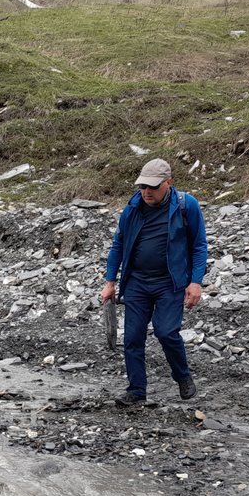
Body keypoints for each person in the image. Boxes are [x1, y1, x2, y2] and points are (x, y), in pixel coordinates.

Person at [100, 158, 208, 406]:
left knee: (166, 331)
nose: (146, 192)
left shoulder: (185, 205)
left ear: (168, 183)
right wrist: (110, 281)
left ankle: (182, 377)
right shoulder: (132, 208)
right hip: (137, 282)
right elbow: (118, 244)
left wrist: (196, 282)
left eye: (153, 187)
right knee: (132, 338)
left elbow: (199, 245)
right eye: (142, 187)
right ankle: (137, 391)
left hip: (170, 282)